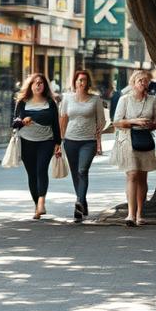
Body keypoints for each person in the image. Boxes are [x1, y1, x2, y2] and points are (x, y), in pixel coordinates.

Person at [110, 69, 156, 226]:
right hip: (128, 140)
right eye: (140, 80)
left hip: (145, 140)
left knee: (142, 177)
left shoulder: (153, 100)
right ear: (133, 83)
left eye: (146, 81)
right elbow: (117, 122)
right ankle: (130, 214)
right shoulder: (124, 100)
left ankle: (140, 213)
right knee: (132, 175)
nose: (143, 83)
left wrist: (149, 125)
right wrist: (135, 122)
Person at [12, 73, 62, 220]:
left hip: (46, 141)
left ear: (45, 86)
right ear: (31, 85)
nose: (39, 85)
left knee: (41, 170)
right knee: (32, 174)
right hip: (26, 142)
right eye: (36, 83)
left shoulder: (50, 103)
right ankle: (36, 206)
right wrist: (22, 121)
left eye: (41, 83)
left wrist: (58, 143)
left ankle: (41, 202)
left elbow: (55, 124)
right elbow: (14, 123)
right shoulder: (22, 102)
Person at [59, 70, 107, 222]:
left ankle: (78, 203)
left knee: (82, 170)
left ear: (87, 83)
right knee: (75, 173)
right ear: (75, 82)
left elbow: (101, 122)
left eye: (84, 80)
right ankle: (82, 202)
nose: (81, 82)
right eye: (79, 80)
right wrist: (60, 141)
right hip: (70, 140)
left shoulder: (95, 100)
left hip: (88, 141)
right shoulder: (67, 99)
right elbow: (63, 119)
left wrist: (98, 141)